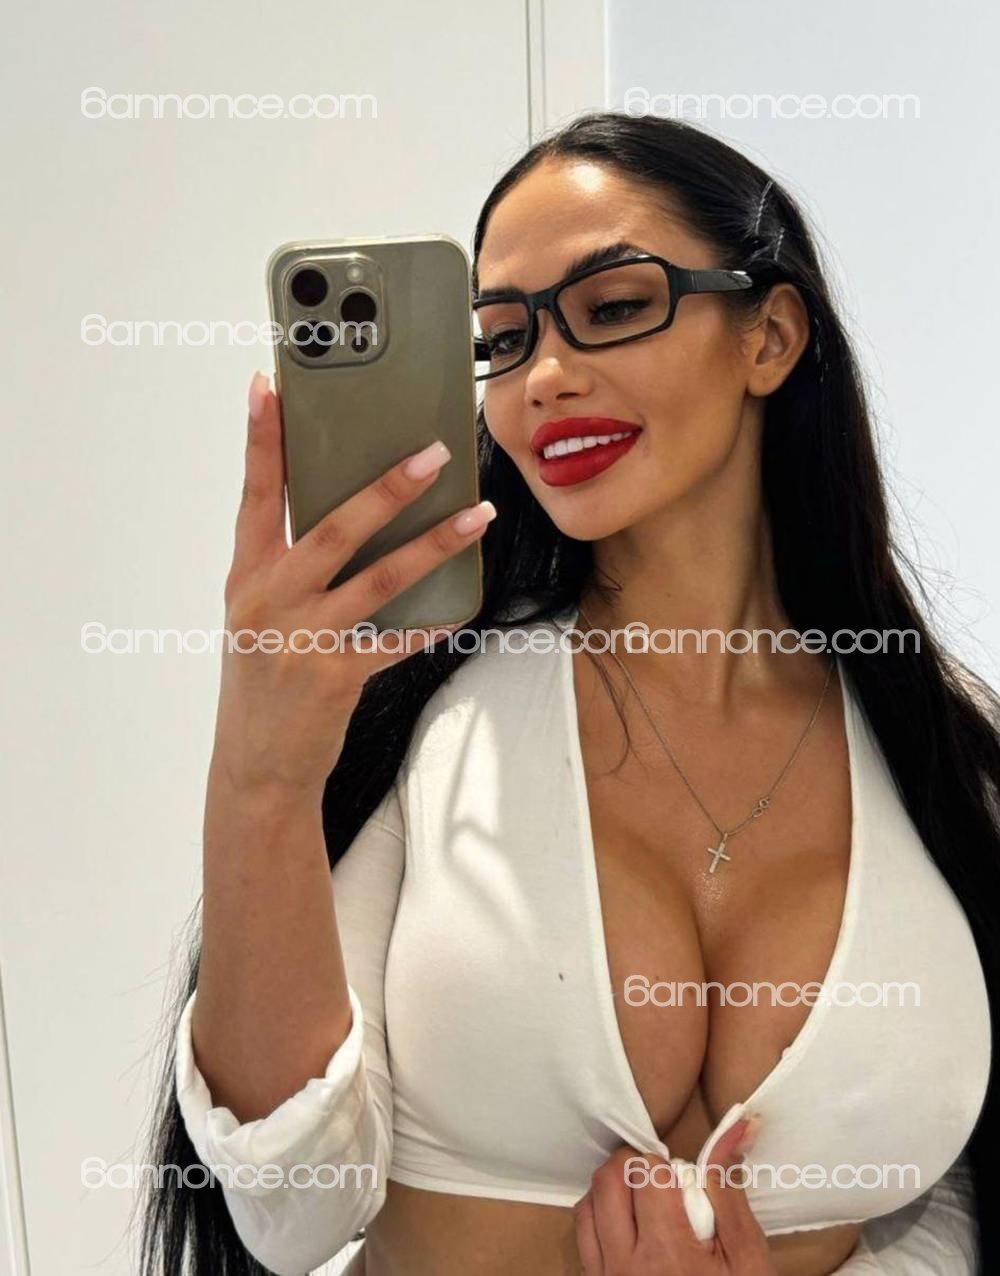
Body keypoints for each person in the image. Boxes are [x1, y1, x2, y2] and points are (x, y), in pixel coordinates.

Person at [138, 113, 999, 1275]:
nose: (541, 377)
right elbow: (288, 1210)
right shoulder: (427, 706)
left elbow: (947, 1194)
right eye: (500, 338)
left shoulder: (944, 738)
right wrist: (262, 773)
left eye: (613, 306)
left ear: (769, 337)